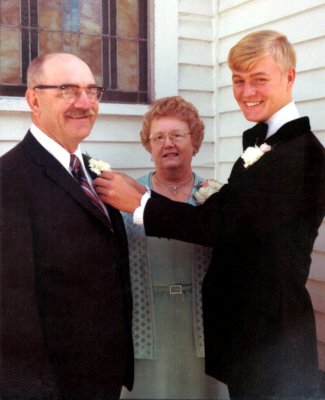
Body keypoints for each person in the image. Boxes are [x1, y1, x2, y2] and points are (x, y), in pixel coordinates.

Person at [95, 30, 325, 399]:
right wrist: (144, 194)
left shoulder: (300, 155)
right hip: (248, 336)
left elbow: (227, 225)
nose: (246, 92)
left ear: (290, 77)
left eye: (259, 79)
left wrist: (141, 206)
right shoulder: (268, 144)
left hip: (273, 340)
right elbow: (230, 207)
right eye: (238, 81)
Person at [0, 53, 134, 399]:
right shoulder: (9, 180)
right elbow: (11, 308)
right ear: (33, 99)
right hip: (53, 386)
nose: (85, 103)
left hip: (103, 377)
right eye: (67, 90)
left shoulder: (92, 170)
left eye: (92, 91)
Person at [120, 96, 226, 399]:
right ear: (149, 145)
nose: (168, 143)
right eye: (159, 137)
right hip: (148, 330)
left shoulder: (216, 197)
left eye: (178, 135)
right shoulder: (127, 197)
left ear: (195, 143)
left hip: (203, 330)